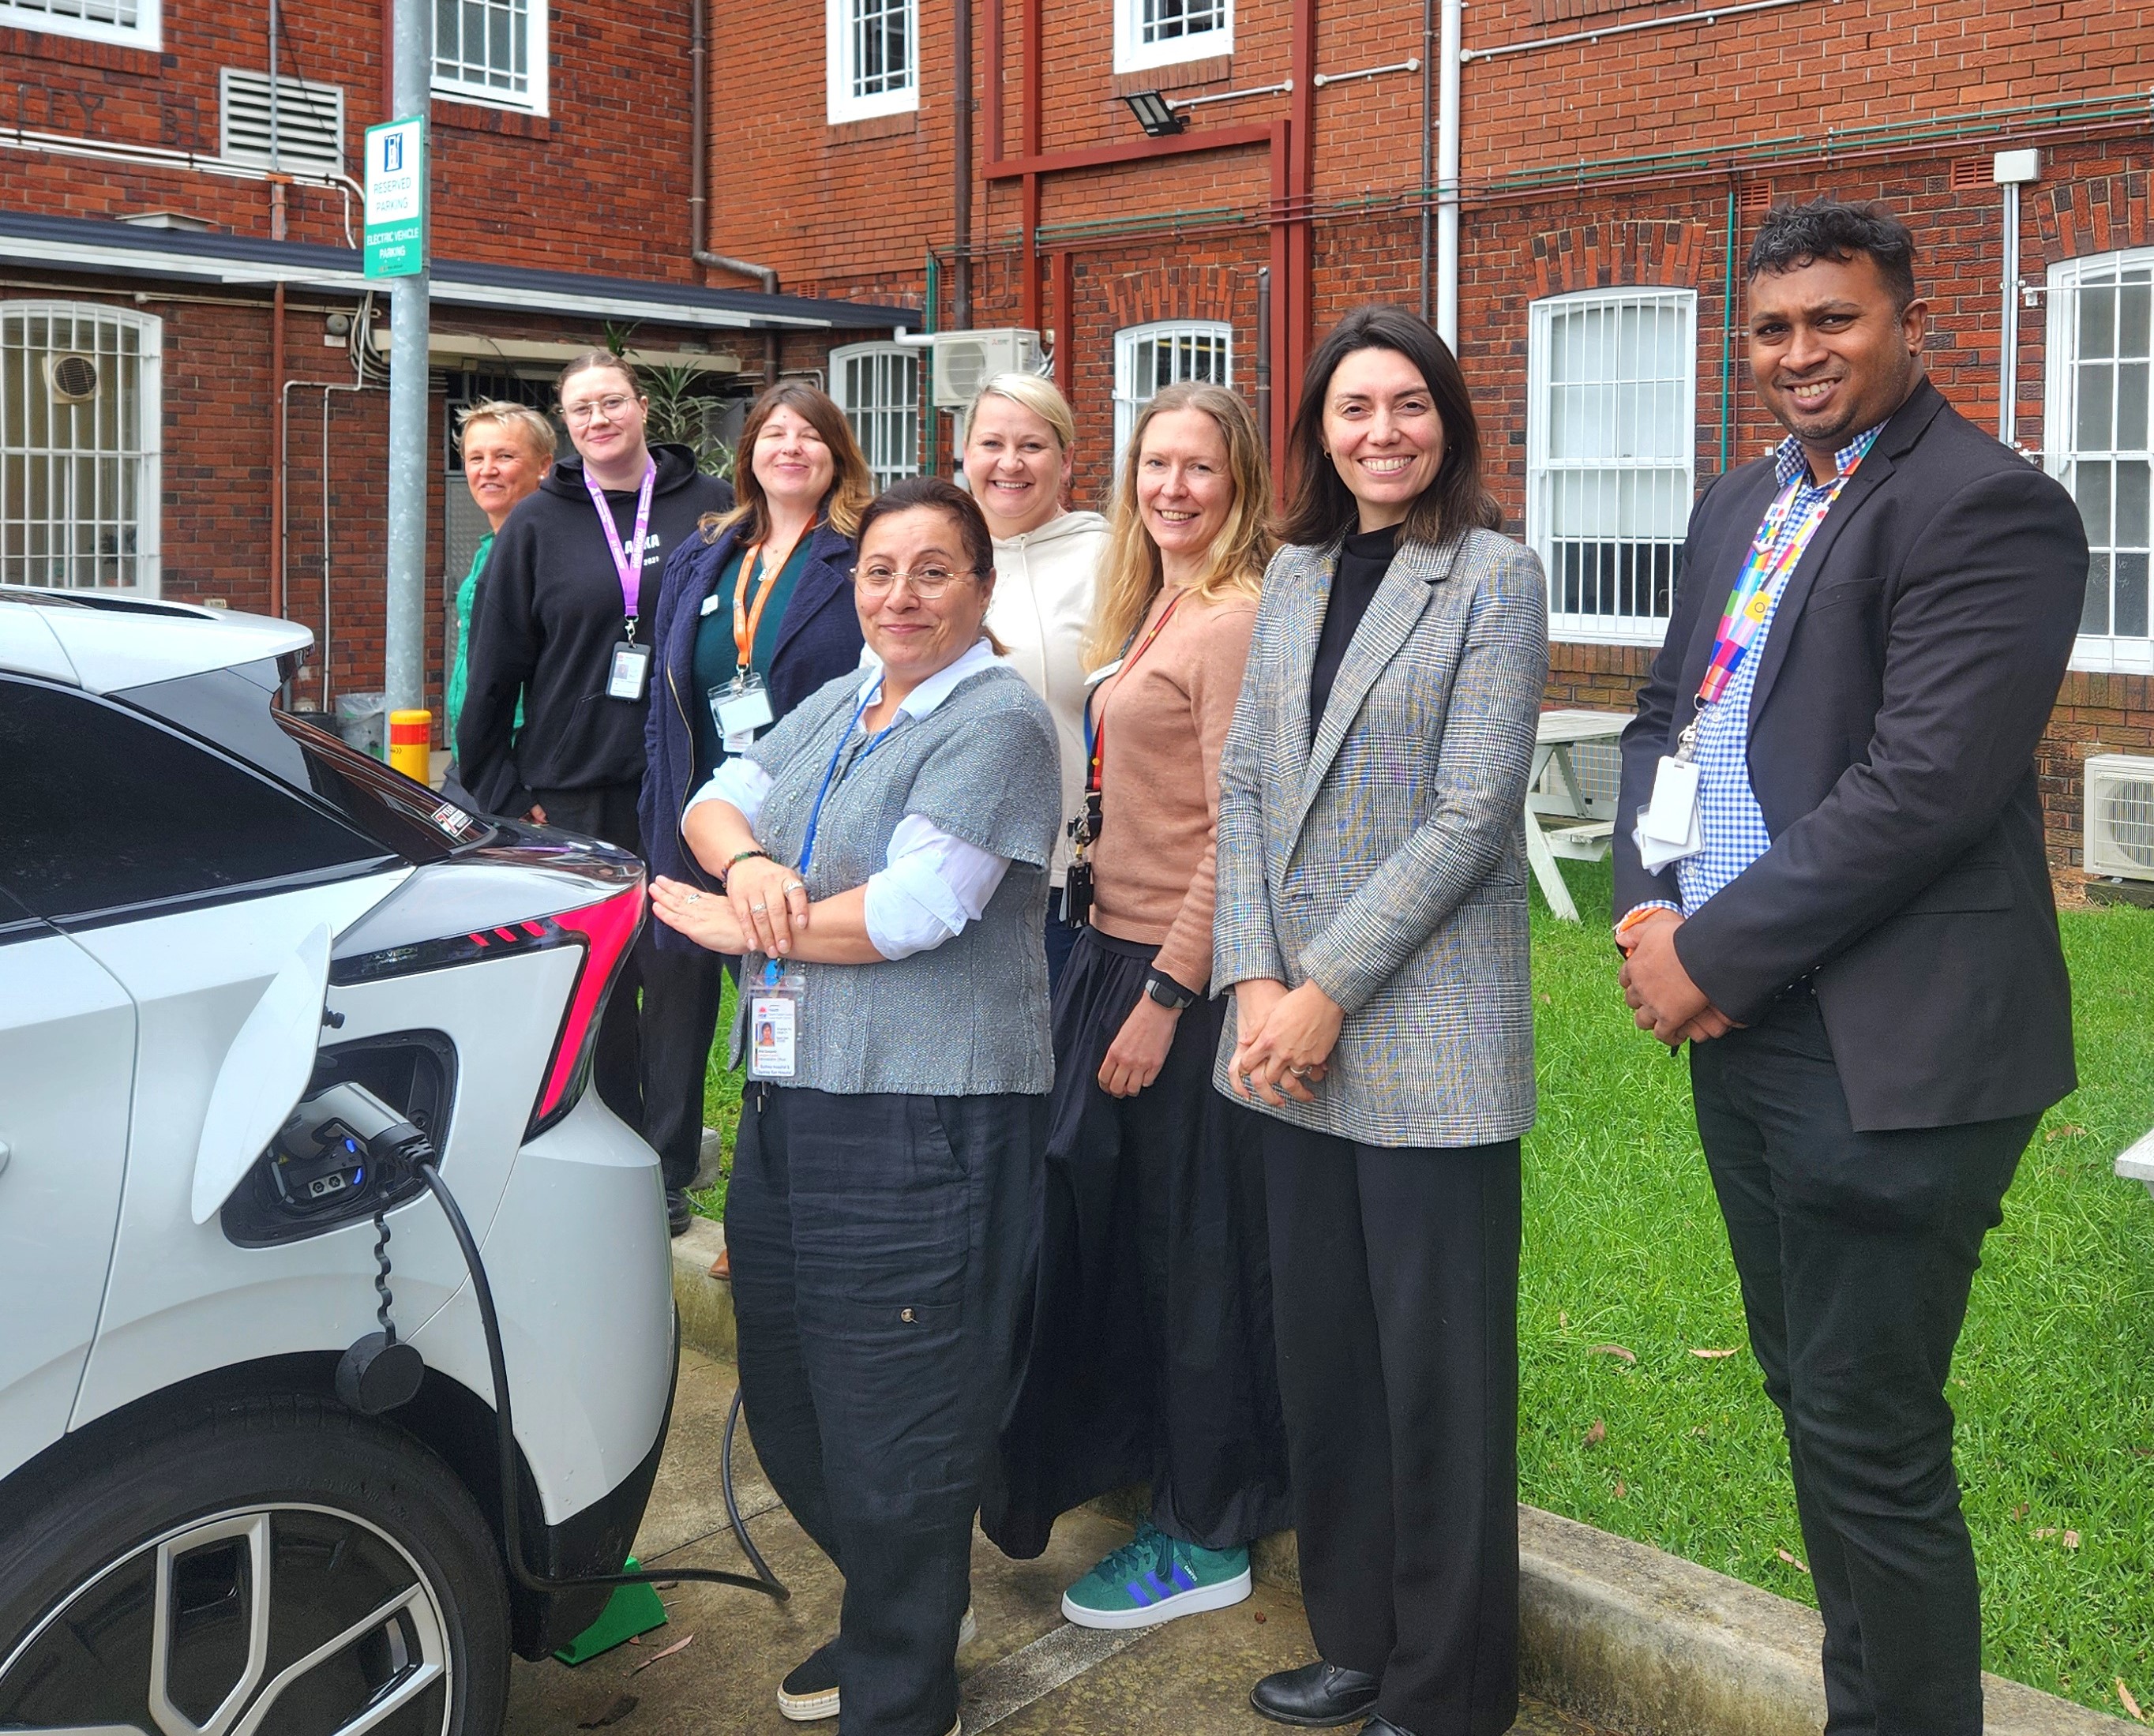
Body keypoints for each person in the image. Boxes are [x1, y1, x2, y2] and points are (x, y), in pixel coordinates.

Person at [1612, 200, 2087, 1736]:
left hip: (1890, 1046)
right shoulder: (1742, 500)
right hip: (1744, 1025)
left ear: (1904, 322)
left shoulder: (1982, 506)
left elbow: (1923, 787)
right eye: (1772, 328)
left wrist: (1712, 953)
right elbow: (1657, 718)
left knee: (1868, 1429)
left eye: (1833, 320)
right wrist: (1642, 910)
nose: (1800, 352)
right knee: (1811, 1407)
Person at [648, 477, 1060, 1736]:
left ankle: (902, 1683)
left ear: (983, 589)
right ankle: (910, 1601)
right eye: (882, 570)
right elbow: (714, 793)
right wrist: (757, 864)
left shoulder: (999, 722)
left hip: (922, 1113)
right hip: (797, 1096)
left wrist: (735, 919)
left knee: (900, 1413)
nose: (903, 595)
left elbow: (915, 910)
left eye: (936, 571)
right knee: (787, 1391)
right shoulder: (846, 699)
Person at [1217, 305, 1548, 1736]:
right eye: (1354, 409)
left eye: (1408, 405)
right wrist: (1248, 978)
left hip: (1417, 1039)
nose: (1382, 433)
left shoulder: (1492, 577)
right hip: (1280, 1036)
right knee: (1329, 1363)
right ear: (1318, 430)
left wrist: (1317, 988)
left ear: (1448, 421)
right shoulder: (1290, 574)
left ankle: (1447, 1684)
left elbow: (1469, 820)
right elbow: (1241, 789)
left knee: (1435, 1384)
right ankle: (1355, 1640)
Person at [983, 382, 1292, 1629]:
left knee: (1192, 1256)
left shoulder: (1232, 618)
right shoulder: (1162, 597)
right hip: (1105, 946)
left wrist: (1167, 991)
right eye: (1155, 464)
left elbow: (1242, 826)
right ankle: (1140, 1465)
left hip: (1182, 972)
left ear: (1243, 483)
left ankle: (1209, 1523)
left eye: (1198, 468)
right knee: (1103, 1240)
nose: (1171, 487)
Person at [459, 351, 735, 1236]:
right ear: (567, 425)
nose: (597, 419)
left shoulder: (712, 506)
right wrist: (505, 787)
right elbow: (493, 669)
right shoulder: (537, 523)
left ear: (643, 406)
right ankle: (620, 1148)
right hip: (572, 789)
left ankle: (668, 1158)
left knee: (683, 967)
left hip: (691, 784)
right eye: (580, 409)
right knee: (609, 975)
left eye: (610, 401)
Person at [641, 381, 873, 934]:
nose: (791, 447)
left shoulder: (867, 552)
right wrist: (659, 795)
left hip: (813, 818)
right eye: (775, 434)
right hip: (697, 818)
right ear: (750, 456)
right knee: (688, 1004)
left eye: (810, 436)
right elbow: (661, 699)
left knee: (791, 996)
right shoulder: (700, 554)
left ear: (837, 457)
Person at [962, 372, 1109, 990]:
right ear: (964, 452)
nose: (1010, 463)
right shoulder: (934, 551)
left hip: (1060, 870)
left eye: (1033, 445)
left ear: (1068, 460)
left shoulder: (1112, 555)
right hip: (947, 858)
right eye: (992, 443)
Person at [444, 399, 554, 750]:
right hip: (475, 754)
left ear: (544, 467)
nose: (487, 469)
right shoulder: (489, 548)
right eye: (477, 458)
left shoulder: (549, 552)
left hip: (519, 757)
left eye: (504, 456)